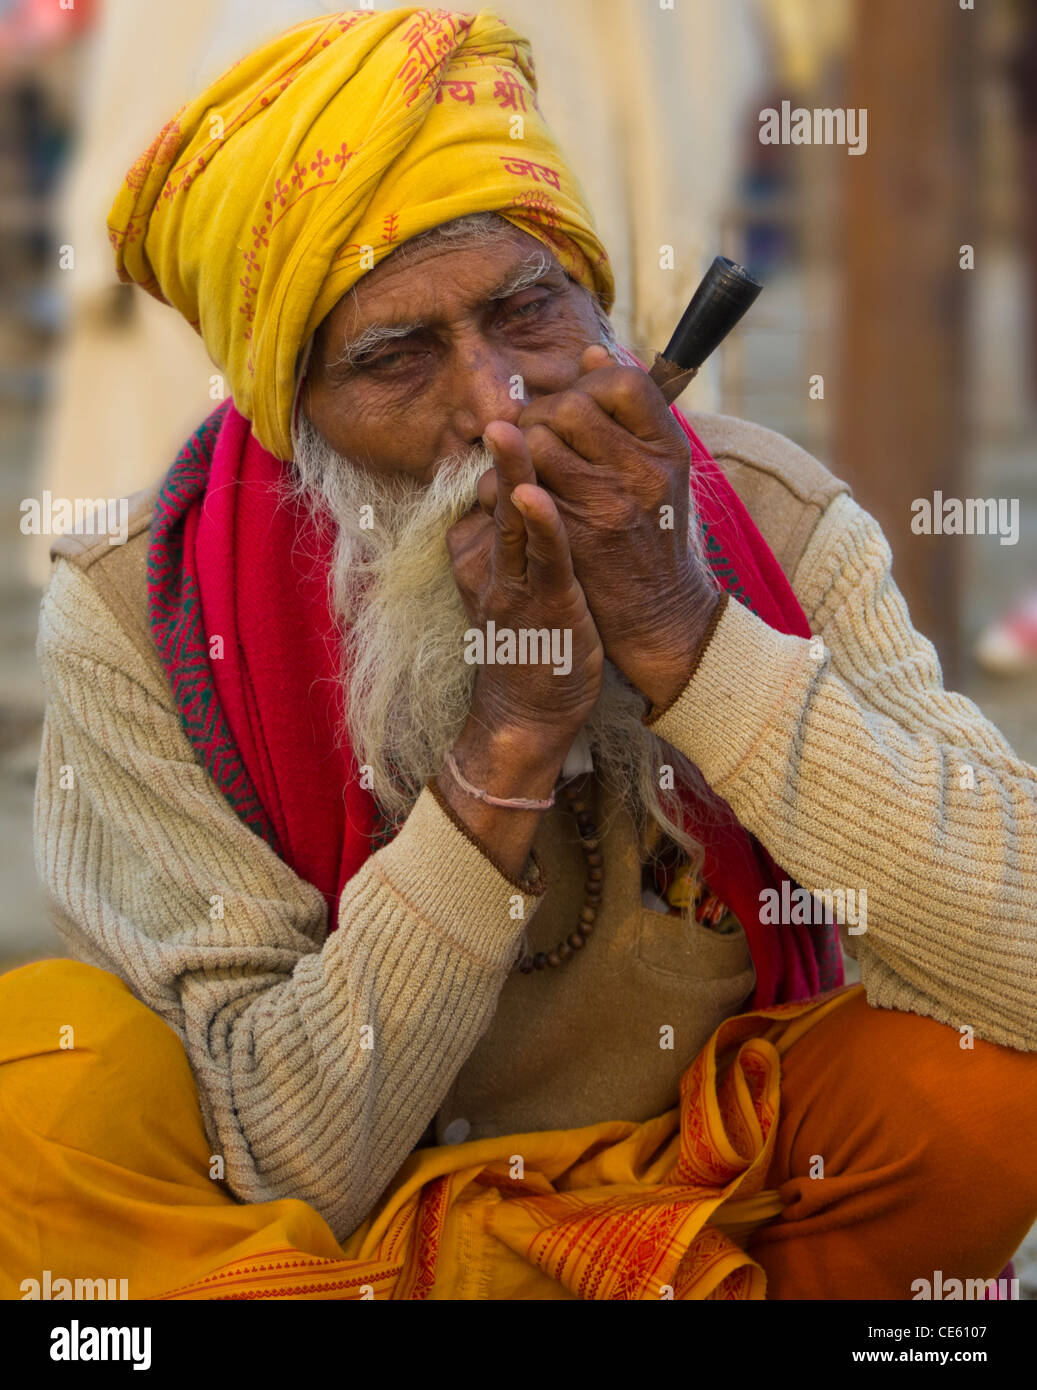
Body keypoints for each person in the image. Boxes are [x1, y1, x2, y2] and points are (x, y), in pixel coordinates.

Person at [5, 7, 1036, 1302]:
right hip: (344, 1257)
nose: (497, 404)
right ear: (296, 429)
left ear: (595, 298)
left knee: (971, 1072)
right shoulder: (134, 618)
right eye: (395, 358)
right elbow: (276, 1164)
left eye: (525, 310)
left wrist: (691, 641)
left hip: (722, 1213)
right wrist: (503, 748)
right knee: (45, 1083)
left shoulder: (773, 519)